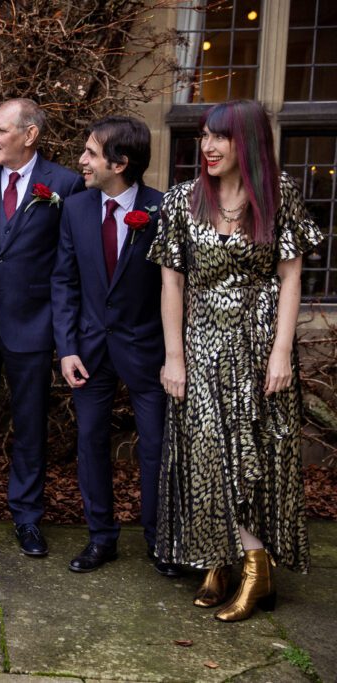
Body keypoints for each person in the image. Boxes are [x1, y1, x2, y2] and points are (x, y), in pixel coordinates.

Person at [150, 99, 321, 622]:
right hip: (202, 344)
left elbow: (291, 278)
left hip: (260, 343)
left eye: (220, 137)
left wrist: (282, 352)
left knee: (257, 456)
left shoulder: (278, 195)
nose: (207, 147)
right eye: (204, 136)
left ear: (245, 142)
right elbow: (171, 281)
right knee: (206, 455)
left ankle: (256, 570)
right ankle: (218, 561)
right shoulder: (184, 199)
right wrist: (174, 357)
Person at [0, 98, 84, 553]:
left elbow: (69, 259)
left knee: (30, 425)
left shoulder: (64, 184)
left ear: (30, 135)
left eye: (1, 130)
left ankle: (27, 517)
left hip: (32, 324)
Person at [50, 116, 179, 577]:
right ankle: (100, 538)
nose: (81, 161)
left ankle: (160, 541)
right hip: (87, 352)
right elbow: (64, 282)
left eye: (90, 152)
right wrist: (66, 348)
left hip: (147, 352)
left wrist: (173, 355)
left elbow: (176, 288)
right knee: (90, 443)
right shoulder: (75, 209)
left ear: (119, 162)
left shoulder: (162, 211)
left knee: (156, 448)